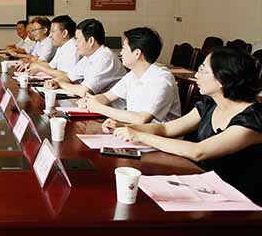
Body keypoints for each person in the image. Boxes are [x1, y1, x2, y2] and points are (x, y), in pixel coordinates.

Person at [104, 47, 262, 204]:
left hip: (240, 200)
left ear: (222, 79)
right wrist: (125, 127)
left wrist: (139, 136)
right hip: (206, 186)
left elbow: (198, 151)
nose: (196, 75)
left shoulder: (252, 120)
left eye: (203, 70)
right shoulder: (210, 105)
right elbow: (166, 128)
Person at [78, 27, 181, 124]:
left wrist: (99, 108)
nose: (121, 52)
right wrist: (89, 101)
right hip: (134, 130)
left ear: (137, 53)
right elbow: (106, 97)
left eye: (124, 48)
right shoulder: (133, 75)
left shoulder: (162, 79)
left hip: (156, 136)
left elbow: (141, 119)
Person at [46, 18, 125, 97]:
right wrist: (54, 81)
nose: (76, 44)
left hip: (111, 104)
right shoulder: (89, 56)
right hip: (95, 102)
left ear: (91, 41)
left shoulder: (105, 58)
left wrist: (61, 83)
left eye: (78, 39)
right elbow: (69, 76)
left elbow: (84, 91)